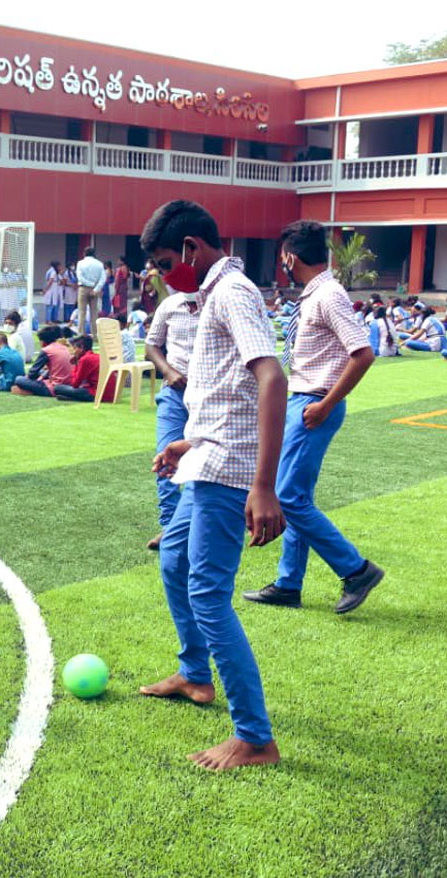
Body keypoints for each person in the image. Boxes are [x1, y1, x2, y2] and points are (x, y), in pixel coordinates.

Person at [139, 199, 285, 771]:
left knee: (208, 594)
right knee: (173, 561)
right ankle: (196, 676)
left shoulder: (232, 293)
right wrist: (187, 442)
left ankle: (254, 736)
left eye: (164, 261)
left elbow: (271, 377)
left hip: (230, 474)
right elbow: (228, 392)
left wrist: (264, 487)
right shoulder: (207, 296)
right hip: (206, 458)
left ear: (193, 250)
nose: (162, 274)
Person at [242, 219, 382, 616]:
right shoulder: (316, 294)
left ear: (289, 256)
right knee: (295, 496)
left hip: (314, 404)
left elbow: (363, 353)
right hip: (304, 400)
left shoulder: (328, 296)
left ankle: (356, 570)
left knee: (287, 496)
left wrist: (325, 404)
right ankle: (288, 583)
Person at [144, 289, 200, 550]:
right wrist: (168, 370)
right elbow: (151, 346)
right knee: (165, 456)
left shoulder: (218, 300)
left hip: (207, 395)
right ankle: (169, 526)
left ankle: (191, 525)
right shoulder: (170, 304)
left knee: (204, 461)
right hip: (174, 393)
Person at [13, 325, 71, 396]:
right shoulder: (63, 347)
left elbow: (32, 373)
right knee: (41, 372)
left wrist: (29, 378)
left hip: (53, 387)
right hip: (67, 384)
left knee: (18, 379)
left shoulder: (47, 350)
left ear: (43, 341)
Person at [54, 335, 109, 401]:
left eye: (75, 348)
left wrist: (76, 364)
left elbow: (75, 384)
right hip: (109, 393)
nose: (74, 351)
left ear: (81, 348)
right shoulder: (97, 356)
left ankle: (73, 398)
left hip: (98, 394)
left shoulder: (85, 359)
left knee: (57, 388)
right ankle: (72, 398)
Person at [75, 246, 107, 335]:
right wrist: (96, 288)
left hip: (83, 288)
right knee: (94, 313)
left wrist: (89, 284)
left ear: (84, 253)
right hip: (95, 289)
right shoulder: (99, 264)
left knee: (82, 312)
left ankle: (81, 333)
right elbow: (103, 278)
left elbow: (80, 277)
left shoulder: (80, 263)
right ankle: (95, 334)